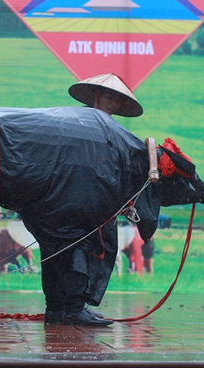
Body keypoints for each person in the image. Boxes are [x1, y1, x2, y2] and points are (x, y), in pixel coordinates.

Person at [35, 73, 143, 326]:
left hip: (91, 207)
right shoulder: (74, 122)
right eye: (109, 97)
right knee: (69, 254)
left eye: (118, 100)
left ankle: (64, 309)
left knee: (74, 254)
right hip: (68, 204)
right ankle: (67, 308)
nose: (113, 104)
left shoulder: (112, 130)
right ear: (95, 95)